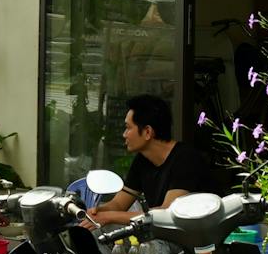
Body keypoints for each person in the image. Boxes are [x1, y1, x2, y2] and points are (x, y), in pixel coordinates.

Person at [88, 94, 233, 224]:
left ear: (147, 132)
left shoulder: (185, 159)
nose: (124, 134)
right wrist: (95, 211)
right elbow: (118, 205)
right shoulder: (142, 159)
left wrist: (109, 217)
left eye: (128, 128)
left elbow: (167, 214)